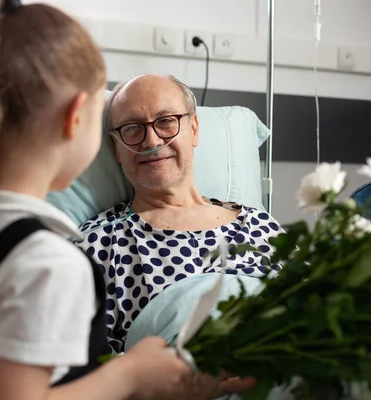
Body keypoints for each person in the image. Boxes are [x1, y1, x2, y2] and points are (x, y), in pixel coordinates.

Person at [0, 0, 256, 399]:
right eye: (126, 128)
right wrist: (130, 374)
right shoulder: (51, 262)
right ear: (75, 117)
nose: (150, 140)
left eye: (166, 122)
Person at [76, 74, 284, 353]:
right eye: (132, 129)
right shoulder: (98, 245)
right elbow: (91, 369)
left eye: (165, 122)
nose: (151, 140)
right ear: (116, 148)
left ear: (194, 129)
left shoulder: (262, 226)